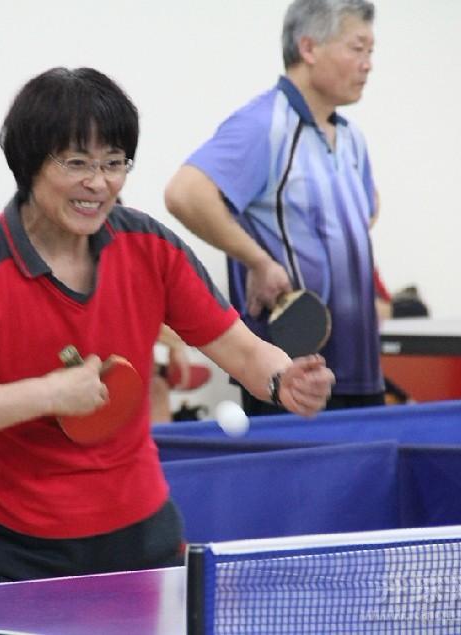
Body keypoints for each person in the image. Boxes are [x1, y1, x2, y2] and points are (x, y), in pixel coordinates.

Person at [0, 67, 335, 587]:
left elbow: (244, 352)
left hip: (139, 540)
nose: (98, 183)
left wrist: (283, 379)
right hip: (7, 552)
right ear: (30, 163)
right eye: (77, 163)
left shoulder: (151, 248)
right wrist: (48, 394)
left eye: (114, 163)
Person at [165, 0, 384, 416]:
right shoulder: (265, 124)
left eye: (371, 51)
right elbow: (186, 193)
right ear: (309, 48)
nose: (368, 64)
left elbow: (367, 211)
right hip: (291, 374)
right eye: (357, 48)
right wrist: (259, 261)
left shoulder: (351, 138)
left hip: (361, 366)